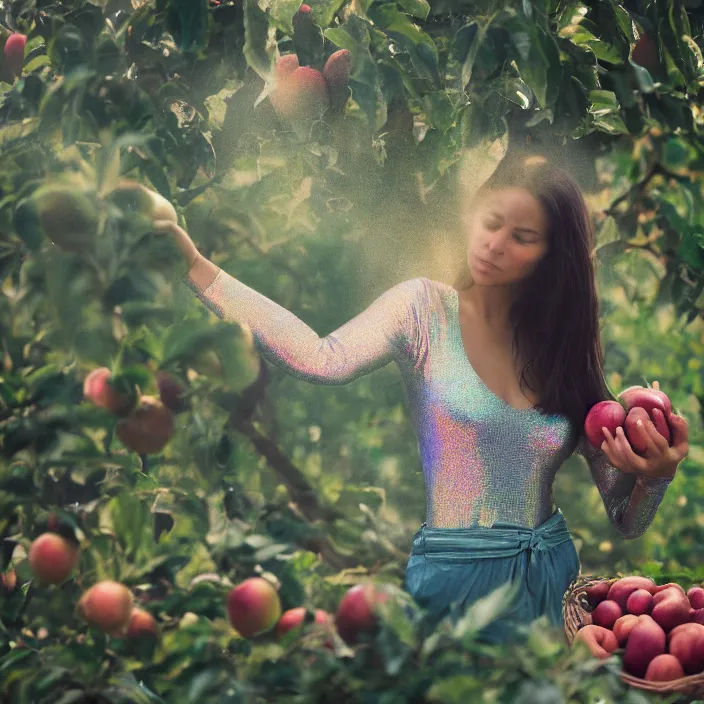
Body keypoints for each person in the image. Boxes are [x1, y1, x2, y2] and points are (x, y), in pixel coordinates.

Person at [152, 150, 689, 644]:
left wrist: (654, 473)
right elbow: (319, 356)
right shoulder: (423, 311)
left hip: (548, 579)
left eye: (522, 236)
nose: (494, 244)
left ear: (553, 256)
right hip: (452, 581)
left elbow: (626, 519)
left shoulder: (563, 354)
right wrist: (197, 267)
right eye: (490, 222)